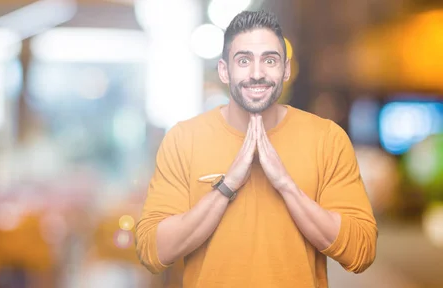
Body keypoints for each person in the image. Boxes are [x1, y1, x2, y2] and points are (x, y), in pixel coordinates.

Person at [135, 10, 377, 287]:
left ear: (285, 69)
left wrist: (286, 185)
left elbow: (361, 251)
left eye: (270, 60)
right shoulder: (183, 139)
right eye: (244, 60)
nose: (257, 73)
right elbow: (152, 251)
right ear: (225, 70)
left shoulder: (327, 139)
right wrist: (227, 186)